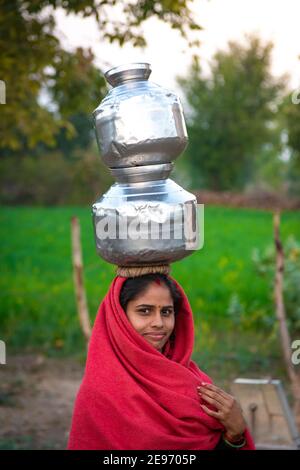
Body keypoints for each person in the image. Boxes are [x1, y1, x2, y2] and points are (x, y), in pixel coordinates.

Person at [67, 273, 255, 450]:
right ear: (120, 317)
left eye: (166, 312)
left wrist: (234, 435)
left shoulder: (195, 383)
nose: (158, 322)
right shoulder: (100, 393)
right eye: (145, 311)